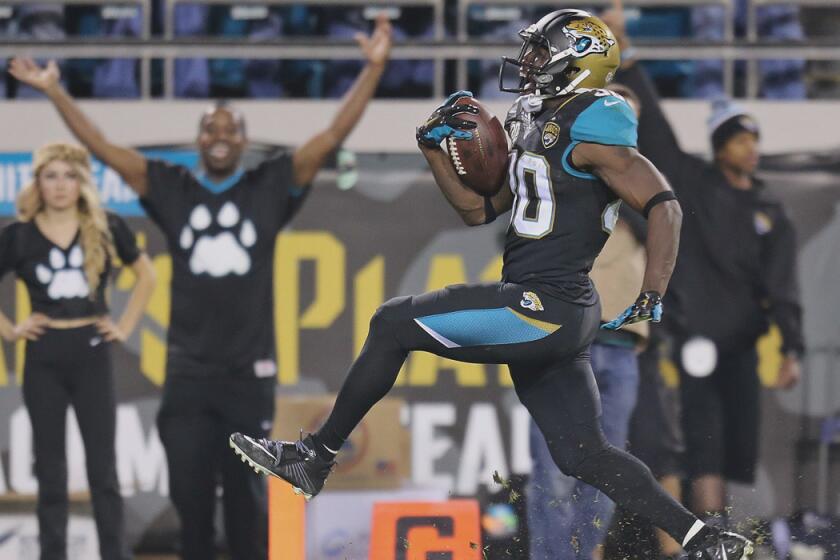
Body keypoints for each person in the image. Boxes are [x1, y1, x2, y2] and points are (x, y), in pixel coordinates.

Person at [231, 10, 754, 560]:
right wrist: (434, 149)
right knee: (585, 455)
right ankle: (704, 538)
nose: (528, 61)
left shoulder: (597, 119)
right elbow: (480, 210)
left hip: (545, 304)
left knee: (392, 322)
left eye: (541, 50)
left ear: (577, 61)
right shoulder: (541, 119)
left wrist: (653, 290)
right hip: (555, 306)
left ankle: (314, 457)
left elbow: (664, 204)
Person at [9, 15, 392, 560]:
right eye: (209, 129)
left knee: (245, 501)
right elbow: (99, 144)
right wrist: (54, 92)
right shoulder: (172, 188)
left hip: (247, 379)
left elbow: (333, 135)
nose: (218, 137)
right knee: (189, 499)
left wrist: (373, 70)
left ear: (243, 140)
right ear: (198, 139)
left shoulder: (271, 185)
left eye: (229, 129)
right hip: (187, 377)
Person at [605, 6, 804, 527]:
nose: (751, 150)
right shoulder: (693, 185)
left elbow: (782, 284)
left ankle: (728, 531)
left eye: (754, 140)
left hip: (743, 344)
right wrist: (625, 58)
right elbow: (658, 133)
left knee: (739, 442)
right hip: (693, 341)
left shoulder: (770, 211)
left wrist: (791, 346)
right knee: (702, 442)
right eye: (740, 139)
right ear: (720, 146)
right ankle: (706, 533)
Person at [0, 143, 155, 560]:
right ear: (38, 183)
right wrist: (12, 331)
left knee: (103, 469)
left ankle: (114, 554)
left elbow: (147, 275)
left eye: (69, 175)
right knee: (50, 471)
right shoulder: (18, 235)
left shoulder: (106, 228)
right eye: (51, 175)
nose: (61, 186)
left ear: (82, 182)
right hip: (43, 354)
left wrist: (123, 326)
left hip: (92, 352)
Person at [527, 213, 646, 560]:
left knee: (607, 478)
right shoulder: (554, 174)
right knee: (554, 474)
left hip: (623, 344)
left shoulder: (638, 182)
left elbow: (663, 222)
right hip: (563, 338)